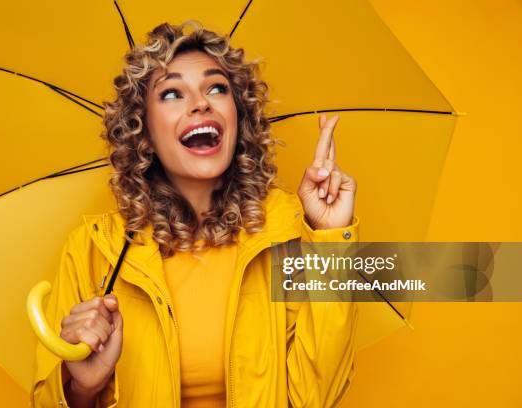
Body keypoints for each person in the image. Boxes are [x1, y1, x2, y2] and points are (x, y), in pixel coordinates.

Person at [31, 20, 359, 408]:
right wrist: (82, 387)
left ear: (237, 116)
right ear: (144, 131)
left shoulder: (286, 231)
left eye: (216, 88)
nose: (201, 103)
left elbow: (316, 397)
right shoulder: (93, 253)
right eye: (171, 93)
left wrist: (330, 240)